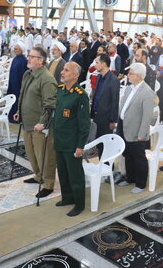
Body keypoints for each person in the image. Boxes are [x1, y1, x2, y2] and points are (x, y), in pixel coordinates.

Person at [14, 46, 58, 198]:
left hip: (39, 125)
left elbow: (50, 105)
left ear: (41, 60)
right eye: (29, 55)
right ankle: (38, 176)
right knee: (31, 154)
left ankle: (48, 183)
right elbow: (23, 94)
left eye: (32, 56)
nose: (28, 58)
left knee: (44, 155)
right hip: (27, 122)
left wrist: (43, 123)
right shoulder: (28, 74)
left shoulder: (47, 79)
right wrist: (18, 112)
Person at [53, 62, 90, 217]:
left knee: (75, 175)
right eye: (63, 70)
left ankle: (79, 203)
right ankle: (67, 197)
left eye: (66, 70)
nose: (62, 72)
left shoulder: (80, 95)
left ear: (75, 75)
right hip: (60, 140)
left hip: (72, 142)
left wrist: (80, 145)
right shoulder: (61, 91)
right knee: (62, 172)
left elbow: (84, 124)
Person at [117, 63, 155, 193]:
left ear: (139, 76)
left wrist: (142, 133)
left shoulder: (147, 92)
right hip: (124, 126)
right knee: (128, 154)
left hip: (137, 130)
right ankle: (130, 178)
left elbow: (147, 116)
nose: (128, 75)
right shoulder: (129, 88)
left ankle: (140, 184)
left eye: (131, 73)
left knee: (138, 157)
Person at [91, 54, 120, 155]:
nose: (95, 65)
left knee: (107, 147)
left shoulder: (114, 80)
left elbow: (114, 101)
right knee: (99, 145)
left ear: (103, 64)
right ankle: (100, 168)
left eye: (97, 63)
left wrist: (112, 120)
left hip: (106, 119)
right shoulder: (99, 77)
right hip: (97, 116)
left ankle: (107, 169)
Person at [7, 41, 28, 122]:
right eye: (14, 49)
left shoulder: (23, 60)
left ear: (21, 50)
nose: (14, 50)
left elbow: (23, 74)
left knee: (17, 100)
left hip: (18, 84)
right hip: (13, 82)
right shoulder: (15, 58)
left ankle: (16, 118)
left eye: (16, 49)